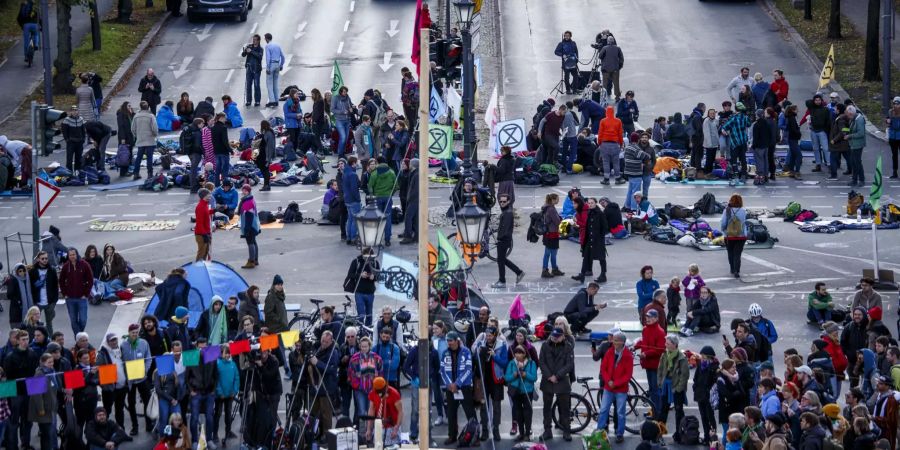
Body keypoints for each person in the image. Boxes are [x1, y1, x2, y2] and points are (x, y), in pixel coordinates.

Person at [597, 332, 633, 443]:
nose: (614, 342)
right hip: (609, 387)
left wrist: (615, 383)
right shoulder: (610, 352)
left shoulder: (627, 355)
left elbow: (628, 375)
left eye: (616, 340)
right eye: (614, 340)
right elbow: (603, 368)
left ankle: (619, 433)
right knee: (603, 410)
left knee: (620, 412)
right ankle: (599, 431)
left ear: (622, 342)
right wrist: (609, 381)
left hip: (620, 389)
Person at [440, 331, 475, 445]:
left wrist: (458, 383)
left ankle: (475, 436)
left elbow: (468, 369)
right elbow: (443, 371)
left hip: (464, 387)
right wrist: (450, 385)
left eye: (451, 340)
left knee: (470, 412)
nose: (449, 343)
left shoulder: (466, 352)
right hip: (450, 388)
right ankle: (452, 436)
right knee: (451, 413)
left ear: (457, 341)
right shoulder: (445, 353)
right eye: (447, 341)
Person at [656, 334, 689, 442]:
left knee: (679, 411)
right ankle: (659, 432)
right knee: (663, 410)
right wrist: (660, 382)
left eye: (668, 343)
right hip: (666, 385)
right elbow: (660, 370)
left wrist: (679, 389)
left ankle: (679, 434)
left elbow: (685, 375)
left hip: (676, 387)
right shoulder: (664, 355)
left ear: (674, 345)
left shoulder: (682, 358)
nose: (665, 345)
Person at [490, 194, 524, 288]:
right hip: (505, 240)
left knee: (500, 261)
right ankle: (519, 272)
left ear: (508, 201)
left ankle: (502, 281)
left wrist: (500, 238)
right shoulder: (506, 211)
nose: (502, 203)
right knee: (502, 259)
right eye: (500, 201)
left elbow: (505, 228)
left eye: (504, 201)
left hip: (503, 240)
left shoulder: (507, 213)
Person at [97, 332, 128, 429]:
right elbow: (97, 369)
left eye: (115, 339)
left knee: (120, 409)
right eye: (112, 340)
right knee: (107, 410)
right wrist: (103, 385)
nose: (114, 342)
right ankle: (104, 429)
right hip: (109, 389)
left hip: (121, 387)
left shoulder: (120, 350)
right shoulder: (102, 354)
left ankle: (121, 428)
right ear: (108, 342)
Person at [574, 197, 609, 283]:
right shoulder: (589, 212)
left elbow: (605, 227)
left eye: (592, 203)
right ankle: (582, 275)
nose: (590, 205)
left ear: (595, 203)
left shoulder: (600, 213)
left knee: (601, 258)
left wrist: (600, 236)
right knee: (586, 257)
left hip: (598, 240)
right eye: (589, 203)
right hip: (589, 239)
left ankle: (603, 274)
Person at [365, 377, 403, 447]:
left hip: (392, 425)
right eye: (377, 391)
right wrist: (369, 429)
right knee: (378, 445)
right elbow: (371, 410)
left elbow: (400, 412)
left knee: (390, 446)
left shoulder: (394, 393)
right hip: (379, 425)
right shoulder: (373, 393)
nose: (379, 394)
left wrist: (396, 428)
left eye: (380, 391)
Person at [346, 248, 379, 326]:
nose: (368, 260)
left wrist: (373, 277)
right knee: (361, 315)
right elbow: (350, 274)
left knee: (369, 315)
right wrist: (360, 275)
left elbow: (379, 276)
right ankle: (361, 329)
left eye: (370, 258)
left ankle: (368, 330)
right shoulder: (356, 261)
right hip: (359, 292)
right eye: (366, 258)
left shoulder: (375, 262)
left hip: (370, 292)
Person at [368, 157, 396, 246]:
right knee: (387, 218)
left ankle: (378, 238)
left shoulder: (375, 173)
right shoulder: (391, 172)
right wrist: (391, 193)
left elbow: (370, 186)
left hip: (378, 197)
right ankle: (387, 239)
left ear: (378, 163)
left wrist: (372, 194)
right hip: (388, 197)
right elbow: (396, 185)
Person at [623, 132, 653, 210]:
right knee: (635, 192)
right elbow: (645, 156)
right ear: (638, 139)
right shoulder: (635, 148)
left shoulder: (628, 147)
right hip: (635, 172)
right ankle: (633, 208)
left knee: (630, 190)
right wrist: (648, 157)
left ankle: (627, 205)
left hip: (629, 172)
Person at [720, 194, 748, 278]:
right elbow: (743, 223)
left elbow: (723, 223)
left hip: (729, 236)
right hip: (741, 236)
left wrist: (724, 230)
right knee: (737, 254)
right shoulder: (743, 210)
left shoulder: (727, 210)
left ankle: (732, 269)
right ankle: (737, 270)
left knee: (730, 253)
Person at [596, 106, 624, 184]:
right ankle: (617, 179)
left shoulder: (603, 121)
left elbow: (600, 133)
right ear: (613, 112)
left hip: (604, 144)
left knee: (605, 162)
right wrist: (621, 143)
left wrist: (599, 143)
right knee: (616, 162)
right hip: (615, 144)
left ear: (606, 112)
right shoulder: (618, 121)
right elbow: (620, 134)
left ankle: (606, 179)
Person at [131, 101, 158, 180]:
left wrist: (137, 135)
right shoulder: (151, 116)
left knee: (139, 157)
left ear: (140, 107)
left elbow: (133, 129)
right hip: (150, 139)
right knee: (149, 157)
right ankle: (150, 174)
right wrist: (155, 135)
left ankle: (136, 173)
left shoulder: (136, 116)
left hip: (140, 139)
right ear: (148, 107)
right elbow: (155, 128)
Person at [805, 94, 832, 173]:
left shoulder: (825, 109)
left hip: (822, 131)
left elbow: (828, 121)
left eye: (819, 100)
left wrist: (826, 130)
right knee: (815, 148)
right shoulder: (812, 108)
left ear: (822, 101)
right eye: (816, 100)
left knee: (825, 148)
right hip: (813, 131)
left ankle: (829, 164)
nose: (818, 102)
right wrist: (815, 98)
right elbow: (807, 102)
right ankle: (818, 164)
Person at [540, 193, 563, 278]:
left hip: (548, 233)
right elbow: (557, 222)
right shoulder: (551, 209)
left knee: (550, 252)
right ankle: (546, 270)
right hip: (552, 233)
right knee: (550, 253)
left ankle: (553, 268)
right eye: (557, 199)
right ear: (553, 200)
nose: (558, 200)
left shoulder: (546, 207)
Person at [61, 106, 87, 174]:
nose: (75, 112)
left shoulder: (81, 119)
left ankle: (77, 171)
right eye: (73, 110)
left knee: (78, 158)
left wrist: (83, 139)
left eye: (76, 110)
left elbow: (83, 130)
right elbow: (64, 131)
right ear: (70, 112)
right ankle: (69, 173)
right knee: (69, 159)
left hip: (79, 142)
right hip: (71, 142)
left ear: (78, 111)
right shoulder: (67, 120)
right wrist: (67, 140)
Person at [846, 105, 867, 187]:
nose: (847, 116)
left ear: (851, 113)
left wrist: (850, 136)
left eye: (847, 114)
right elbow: (851, 129)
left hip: (858, 144)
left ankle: (861, 180)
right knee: (853, 162)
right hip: (853, 144)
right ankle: (854, 179)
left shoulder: (859, 119)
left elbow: (861, 133)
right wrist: (846, 131)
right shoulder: (853, 118)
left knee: (857, 162)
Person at [598, 36, 624, 100]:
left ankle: (604, 96)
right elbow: (621, 59)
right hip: (615, 69)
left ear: (607, 41)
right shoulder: (618, 48)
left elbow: (600, 56)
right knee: (616, 83)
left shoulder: (605, 48)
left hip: (606, 69)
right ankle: (617, 96)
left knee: (605, 84)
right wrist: (619, 66)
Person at [241, 34, 264, 107]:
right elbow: (243, 55)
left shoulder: (260, 49)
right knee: (248, 85)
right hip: (249, 68)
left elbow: (259, 57)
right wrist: (245, 51)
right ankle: (248, 100)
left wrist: (251, 51)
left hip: (257, 69)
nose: (253, 41)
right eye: (253, 39)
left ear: (258, 40)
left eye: (255, 40)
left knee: (257, 85)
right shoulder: (249, 46)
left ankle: (257, 101)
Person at [263, 33, 283, 107]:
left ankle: (272, 101)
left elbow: (268, 58)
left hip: (271, 64)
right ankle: (276, 100)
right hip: (277, 64)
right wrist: (281, 65)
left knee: (269, 84)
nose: (265, 40)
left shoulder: (268, 46)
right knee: (275, 83)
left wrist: (268, 68)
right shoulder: (278, 45)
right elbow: (282, 56)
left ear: (267, 38)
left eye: (265, 38)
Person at [193, 189, 212, 261]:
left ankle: (202, 267)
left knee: (205, 252)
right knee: (201, 253)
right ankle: (198, 269)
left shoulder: (204, 204)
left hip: (205, 232)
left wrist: (214, 210)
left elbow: (206, 213)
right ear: (204, 196)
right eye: (208, 194)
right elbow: (199, 223)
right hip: (201, 234)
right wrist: (204, 235)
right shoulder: (200, 206)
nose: (210, 196)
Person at [886, 96, 900, 179]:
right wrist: (887, 121)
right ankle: (895, 172)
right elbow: (887, 120)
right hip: (892, 136)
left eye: (897, 103)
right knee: (894, 155)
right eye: (894, 103)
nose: (896, 105)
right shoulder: (890, 111)